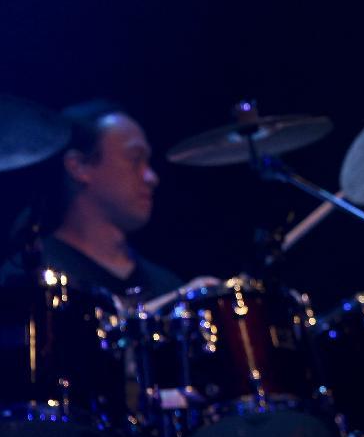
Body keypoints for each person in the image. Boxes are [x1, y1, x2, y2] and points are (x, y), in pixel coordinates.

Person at [1, 99, 214, 303]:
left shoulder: (167, 285)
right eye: (135, 159)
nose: (151, 177)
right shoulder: (29, 277)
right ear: (79, 167)